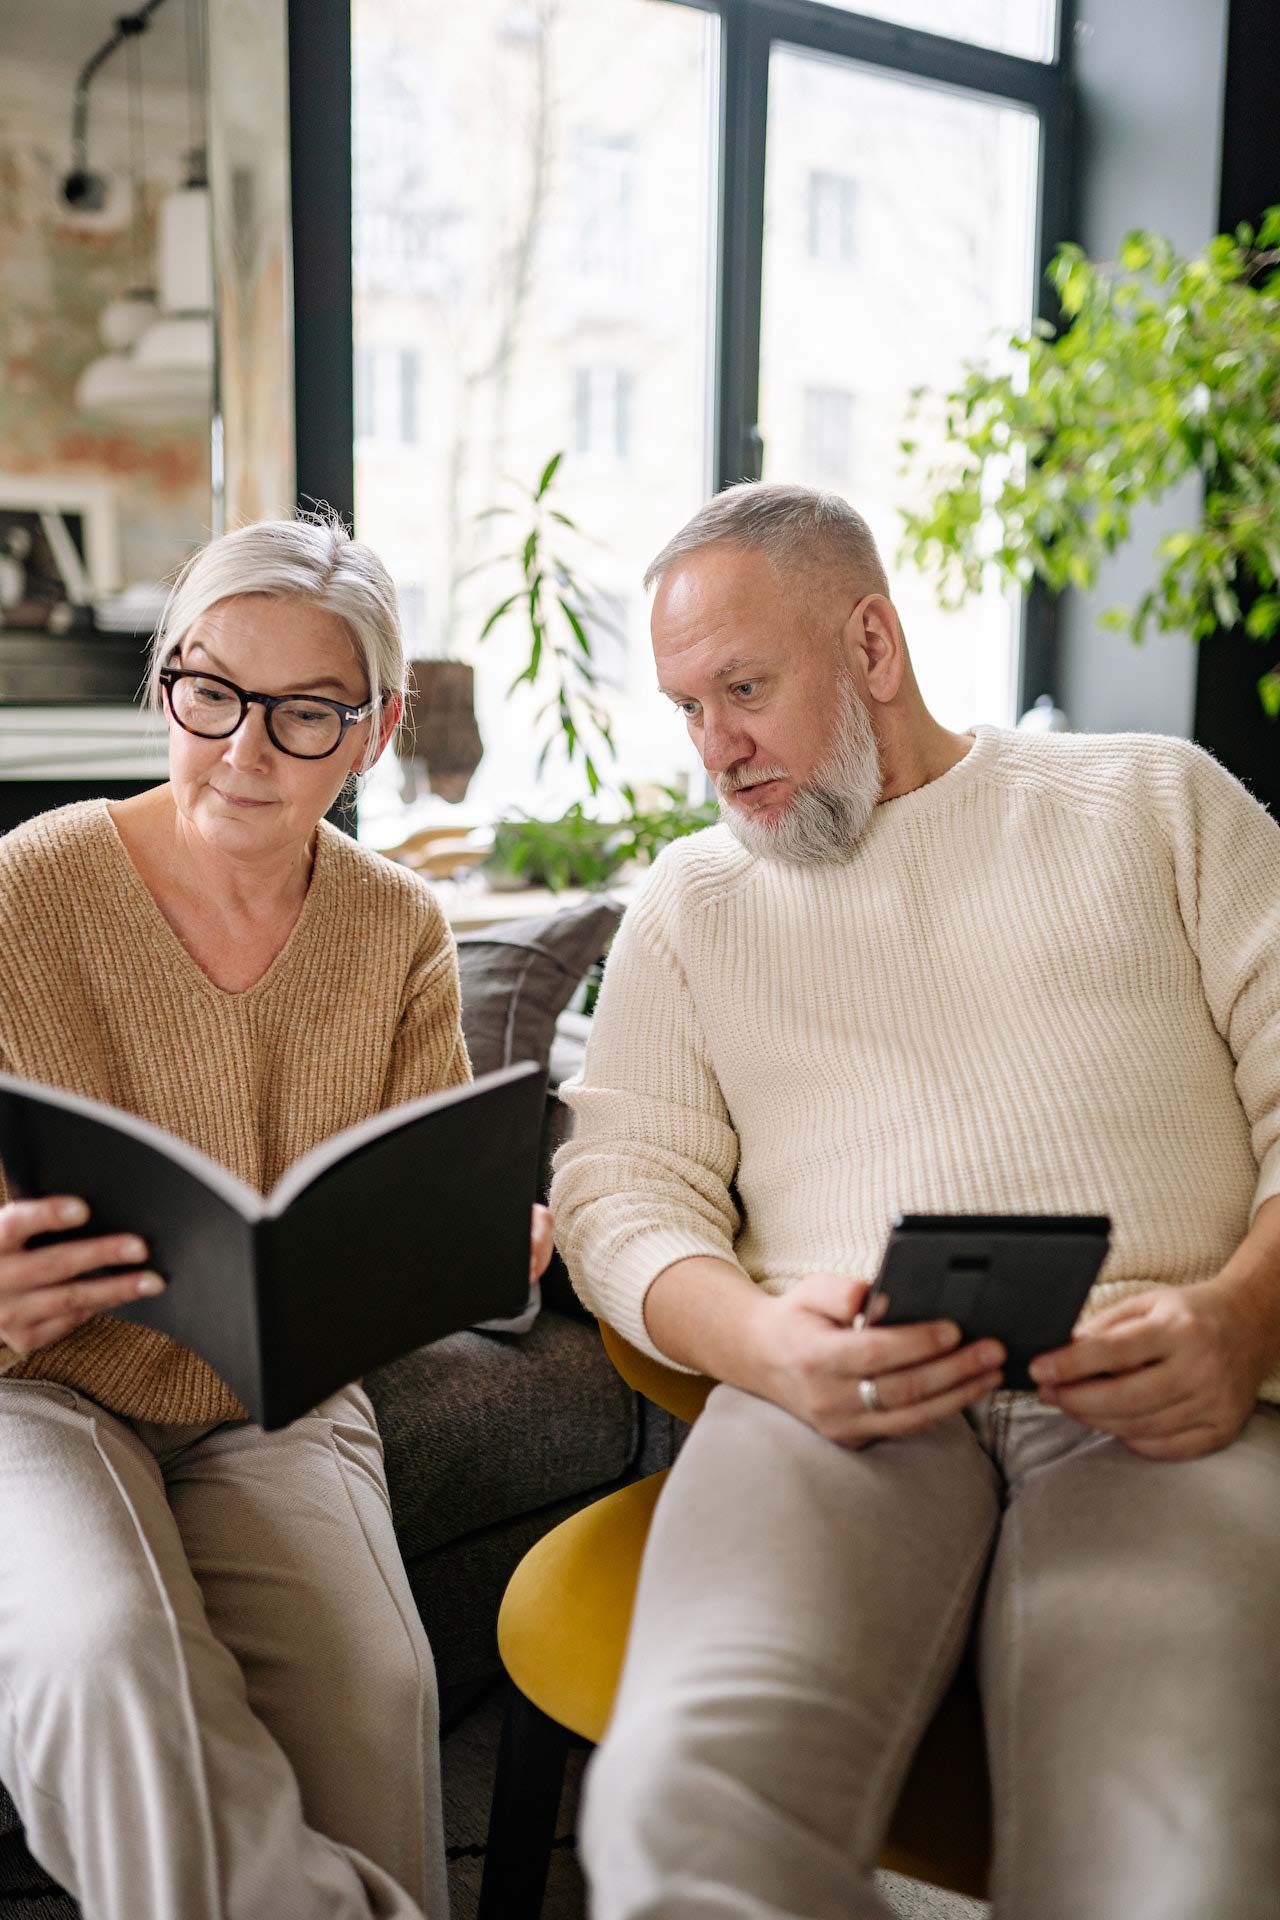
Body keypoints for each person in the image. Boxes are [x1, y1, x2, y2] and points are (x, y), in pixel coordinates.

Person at [550, 482, 1280, 1920]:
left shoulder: (1158, 805)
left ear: (872, 644)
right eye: (686, 708)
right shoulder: (691, 906)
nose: (715, 749)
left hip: (1160, 1393)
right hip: (828, 1402)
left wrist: (1244, 1323)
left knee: (1171, 1858)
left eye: (744, 689)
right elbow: (618, 1193)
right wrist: (760, 1348)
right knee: (678, 1824)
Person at [0, 514, 554, 1920]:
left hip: (281, 1392)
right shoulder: (27, 890)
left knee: (378, 1685)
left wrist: (483, 1249)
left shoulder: (396, 929)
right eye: (212, 692)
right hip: (37, 1389)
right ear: (166, 682)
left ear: (375, 732)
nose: (244, 749)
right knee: (106, 1656)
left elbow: (409, 1201)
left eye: (307, 715)